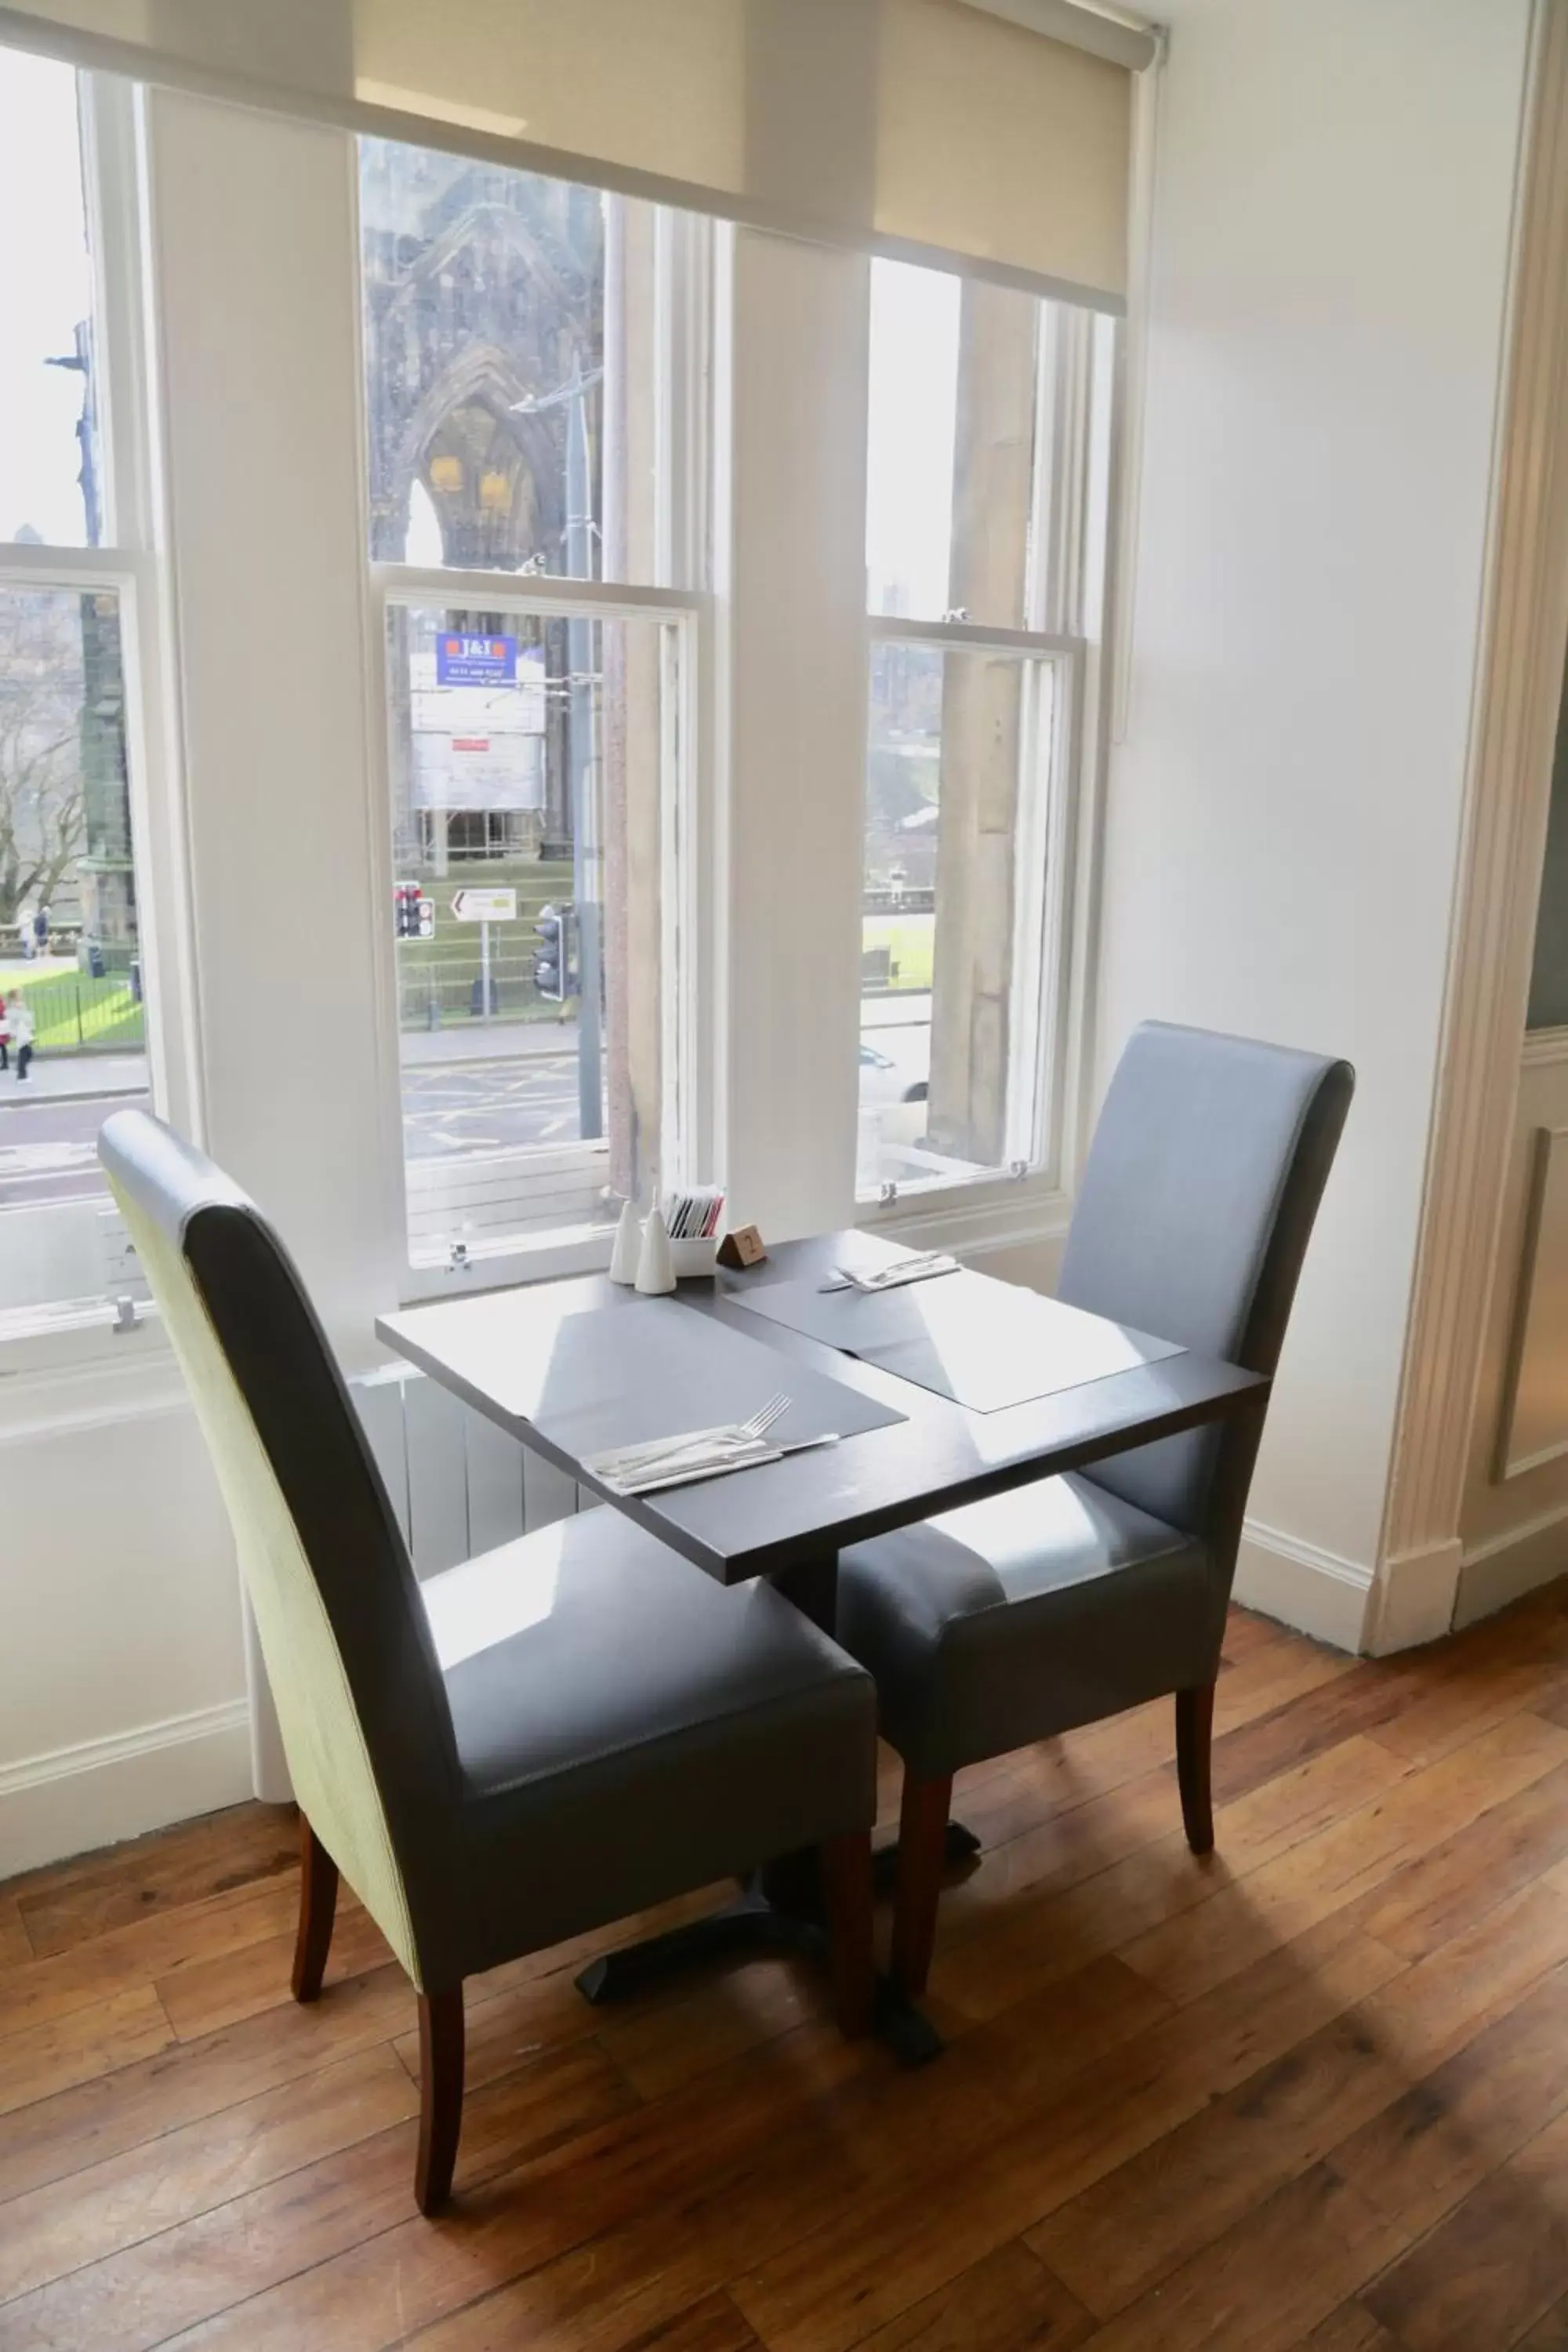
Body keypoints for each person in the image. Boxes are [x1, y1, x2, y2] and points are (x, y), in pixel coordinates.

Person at [12, 995, 34, 1081]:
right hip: (22, 1039)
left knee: (28, 1054)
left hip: (24, 1038)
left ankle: (20, 1068)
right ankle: (22, 1075)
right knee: (25, 1054)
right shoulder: (17, 1016)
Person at [0, 991, 9, 1073]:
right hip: (2, 1027)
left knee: (2, 1045)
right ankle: (5, 1063)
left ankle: (5, 1063)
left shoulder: (1, 1004)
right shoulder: (2, 1003)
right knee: (2, 1046)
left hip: (1, 1027)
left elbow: (3, 1015)